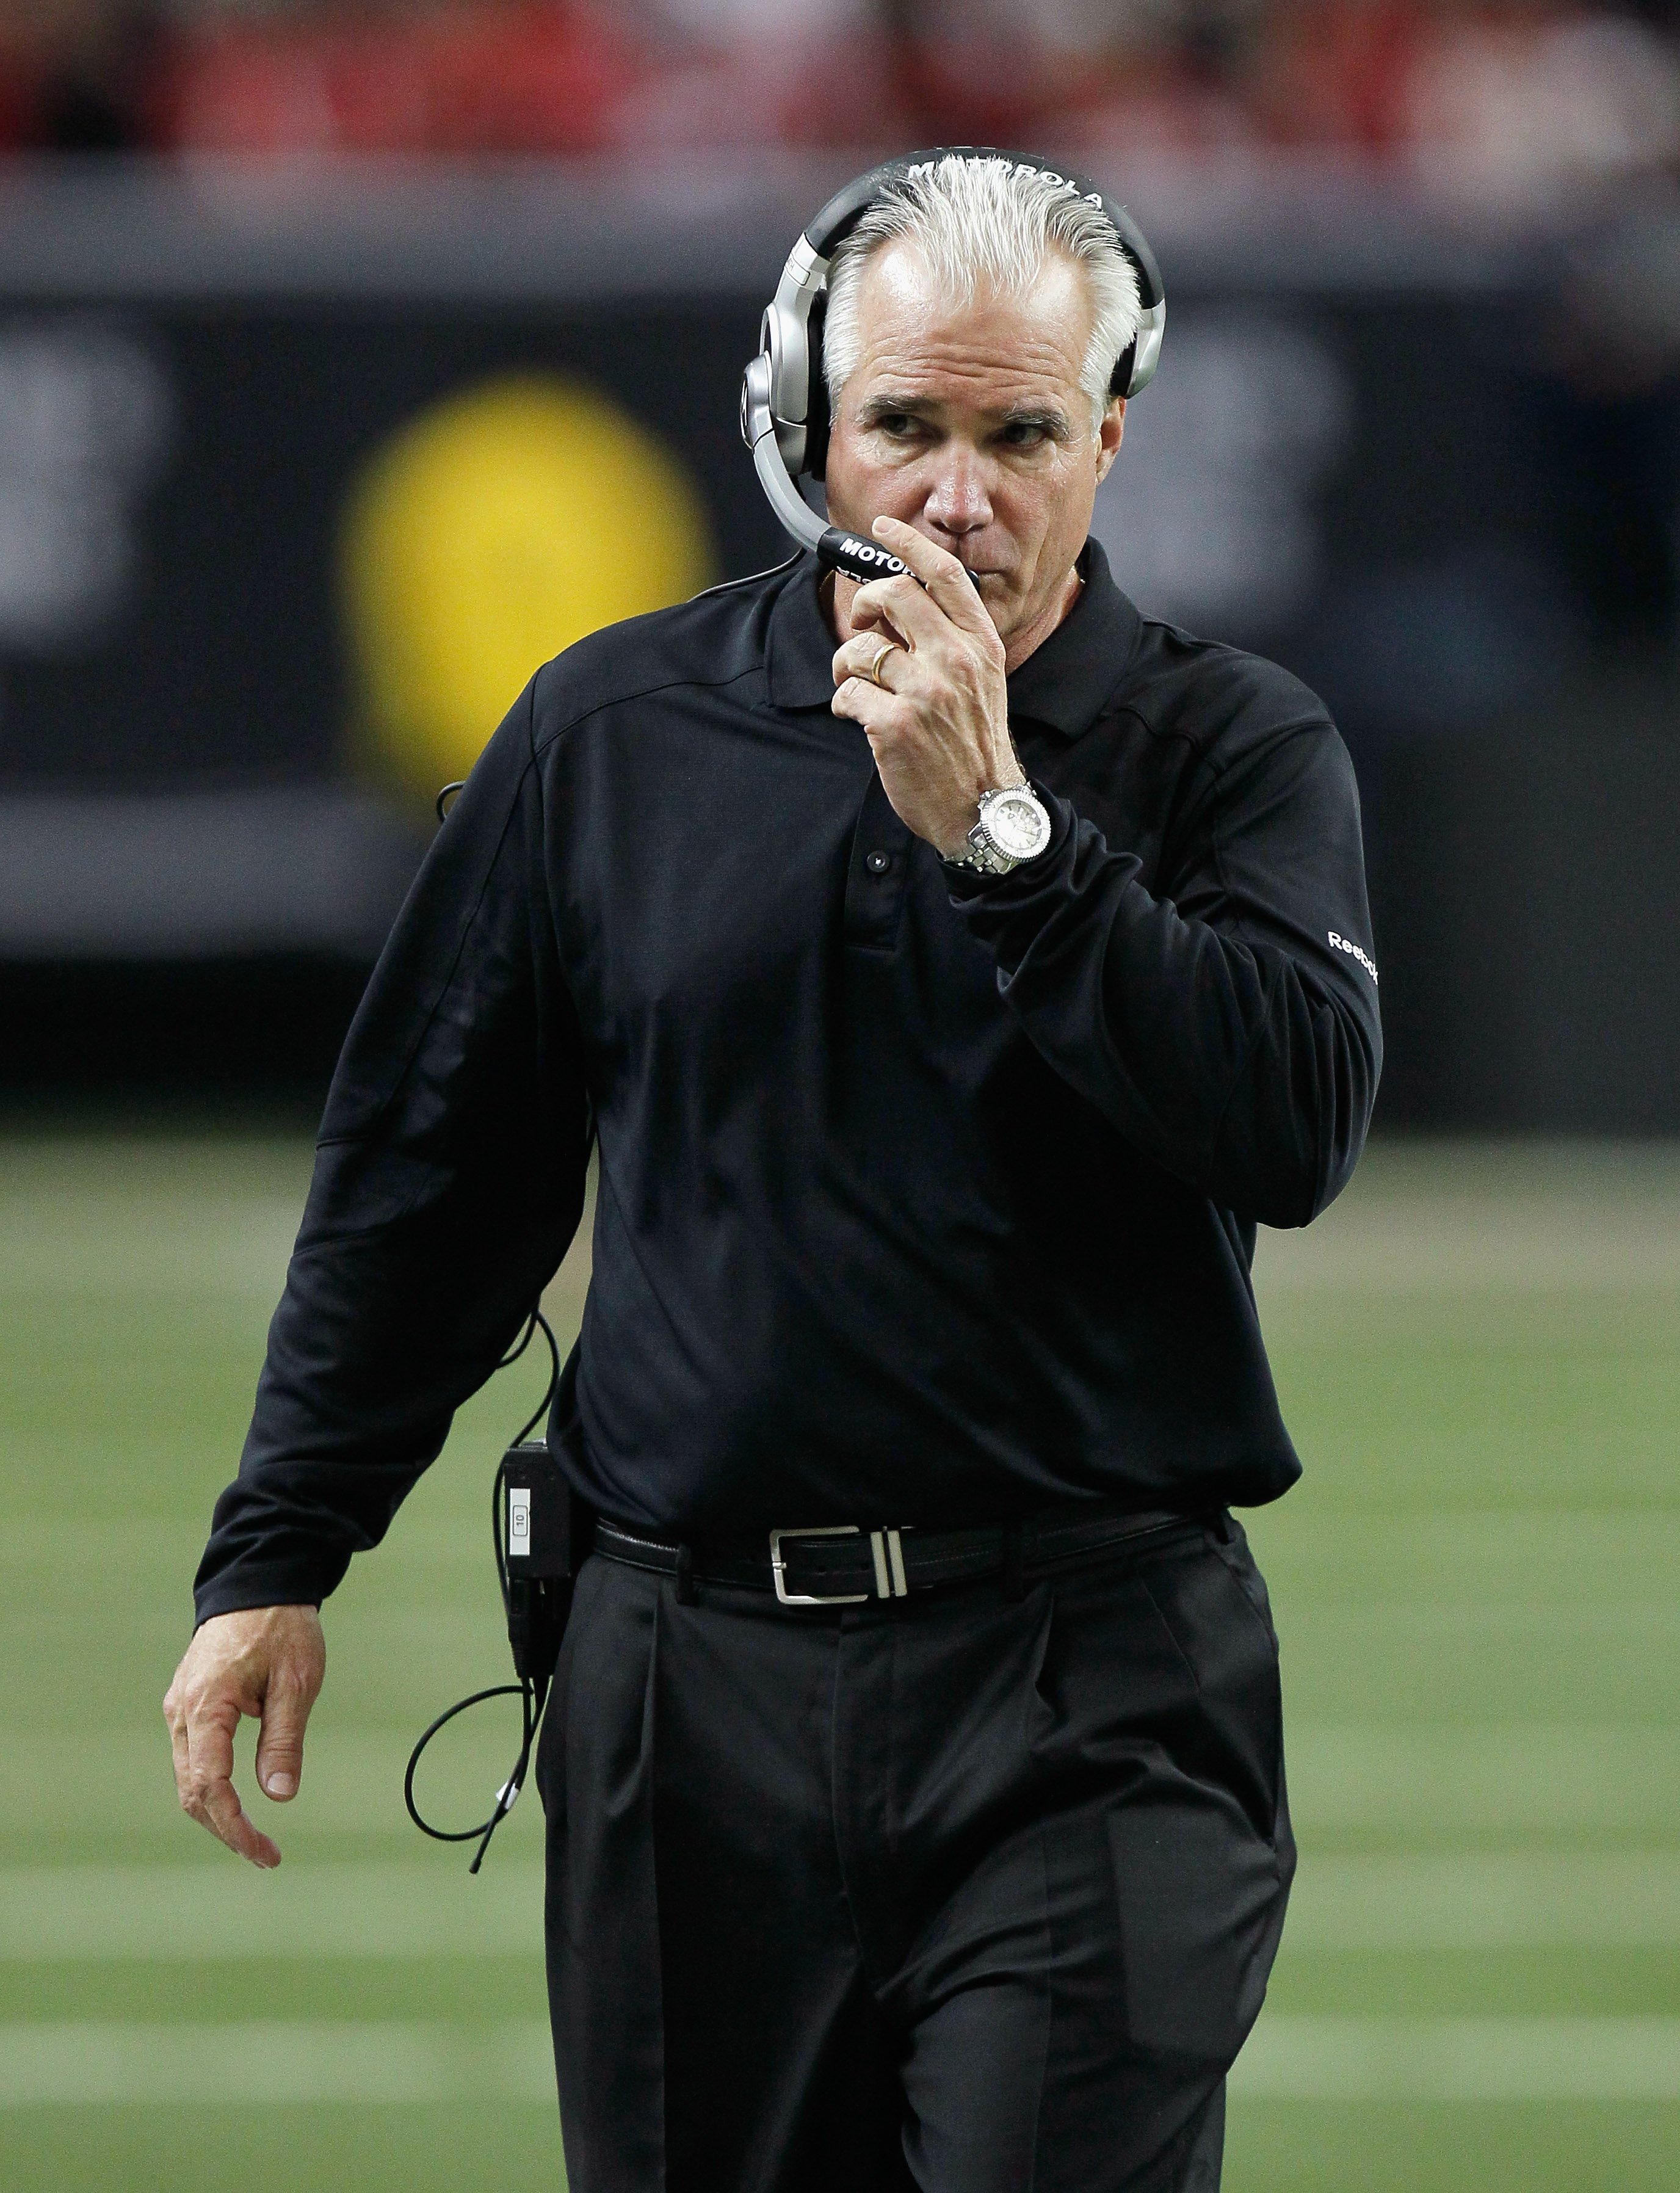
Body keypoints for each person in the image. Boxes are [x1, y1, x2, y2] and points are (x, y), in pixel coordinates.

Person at [165, 151, 1381, 2192]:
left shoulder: (1226, 746)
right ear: (808, 421)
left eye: (1019, 434)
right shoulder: (616, 730)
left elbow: (1293, 1121)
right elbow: (431, 1173)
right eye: (907, 426)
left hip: (1086, 1683)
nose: (956, 491)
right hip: (686, 1680)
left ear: (1109, 440)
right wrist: (278, 1549)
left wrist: (1009, 838)